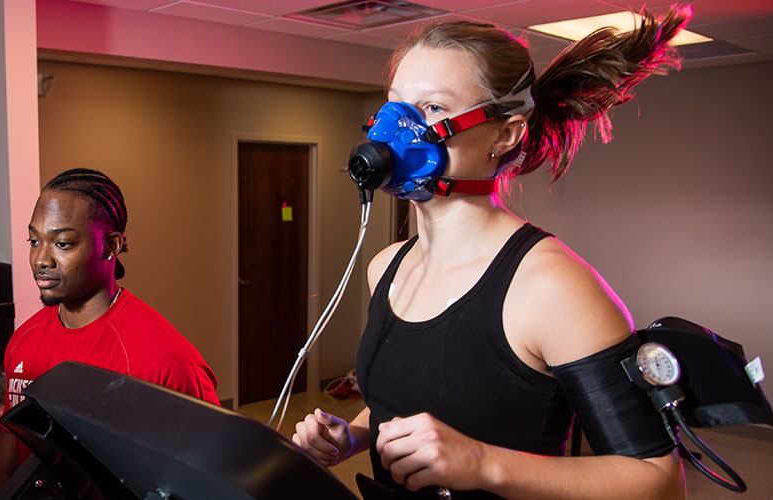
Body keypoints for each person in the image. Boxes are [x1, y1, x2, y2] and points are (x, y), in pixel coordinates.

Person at [292, 8, 692, 500]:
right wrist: (353, 434)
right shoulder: (387, 268)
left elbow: (659, 481)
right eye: (396, 105)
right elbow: (400, 405)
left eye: (434, 108)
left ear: (504, 135)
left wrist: (483, 464)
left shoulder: (550, 286)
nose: (395, 129)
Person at [0, 168, 220, 491]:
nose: (41, 259)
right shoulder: (23, 342)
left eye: (63, 243)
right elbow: (11, 452)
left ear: (111, 245)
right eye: (34, 241)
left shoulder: (166, 361)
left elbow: (210, 479)